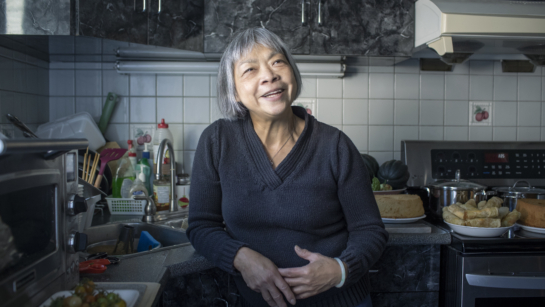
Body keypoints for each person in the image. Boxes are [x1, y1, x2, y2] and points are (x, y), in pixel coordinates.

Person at [186, 27, 388, 307]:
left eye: (277, 61)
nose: (269, 75)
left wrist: (340, 270)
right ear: (233, 90)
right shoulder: (217, 141)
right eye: (250, 70)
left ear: (292, 71)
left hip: (340, 301)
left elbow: (370, 230)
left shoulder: (336, 146)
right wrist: (240, 257)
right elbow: (201, 225)